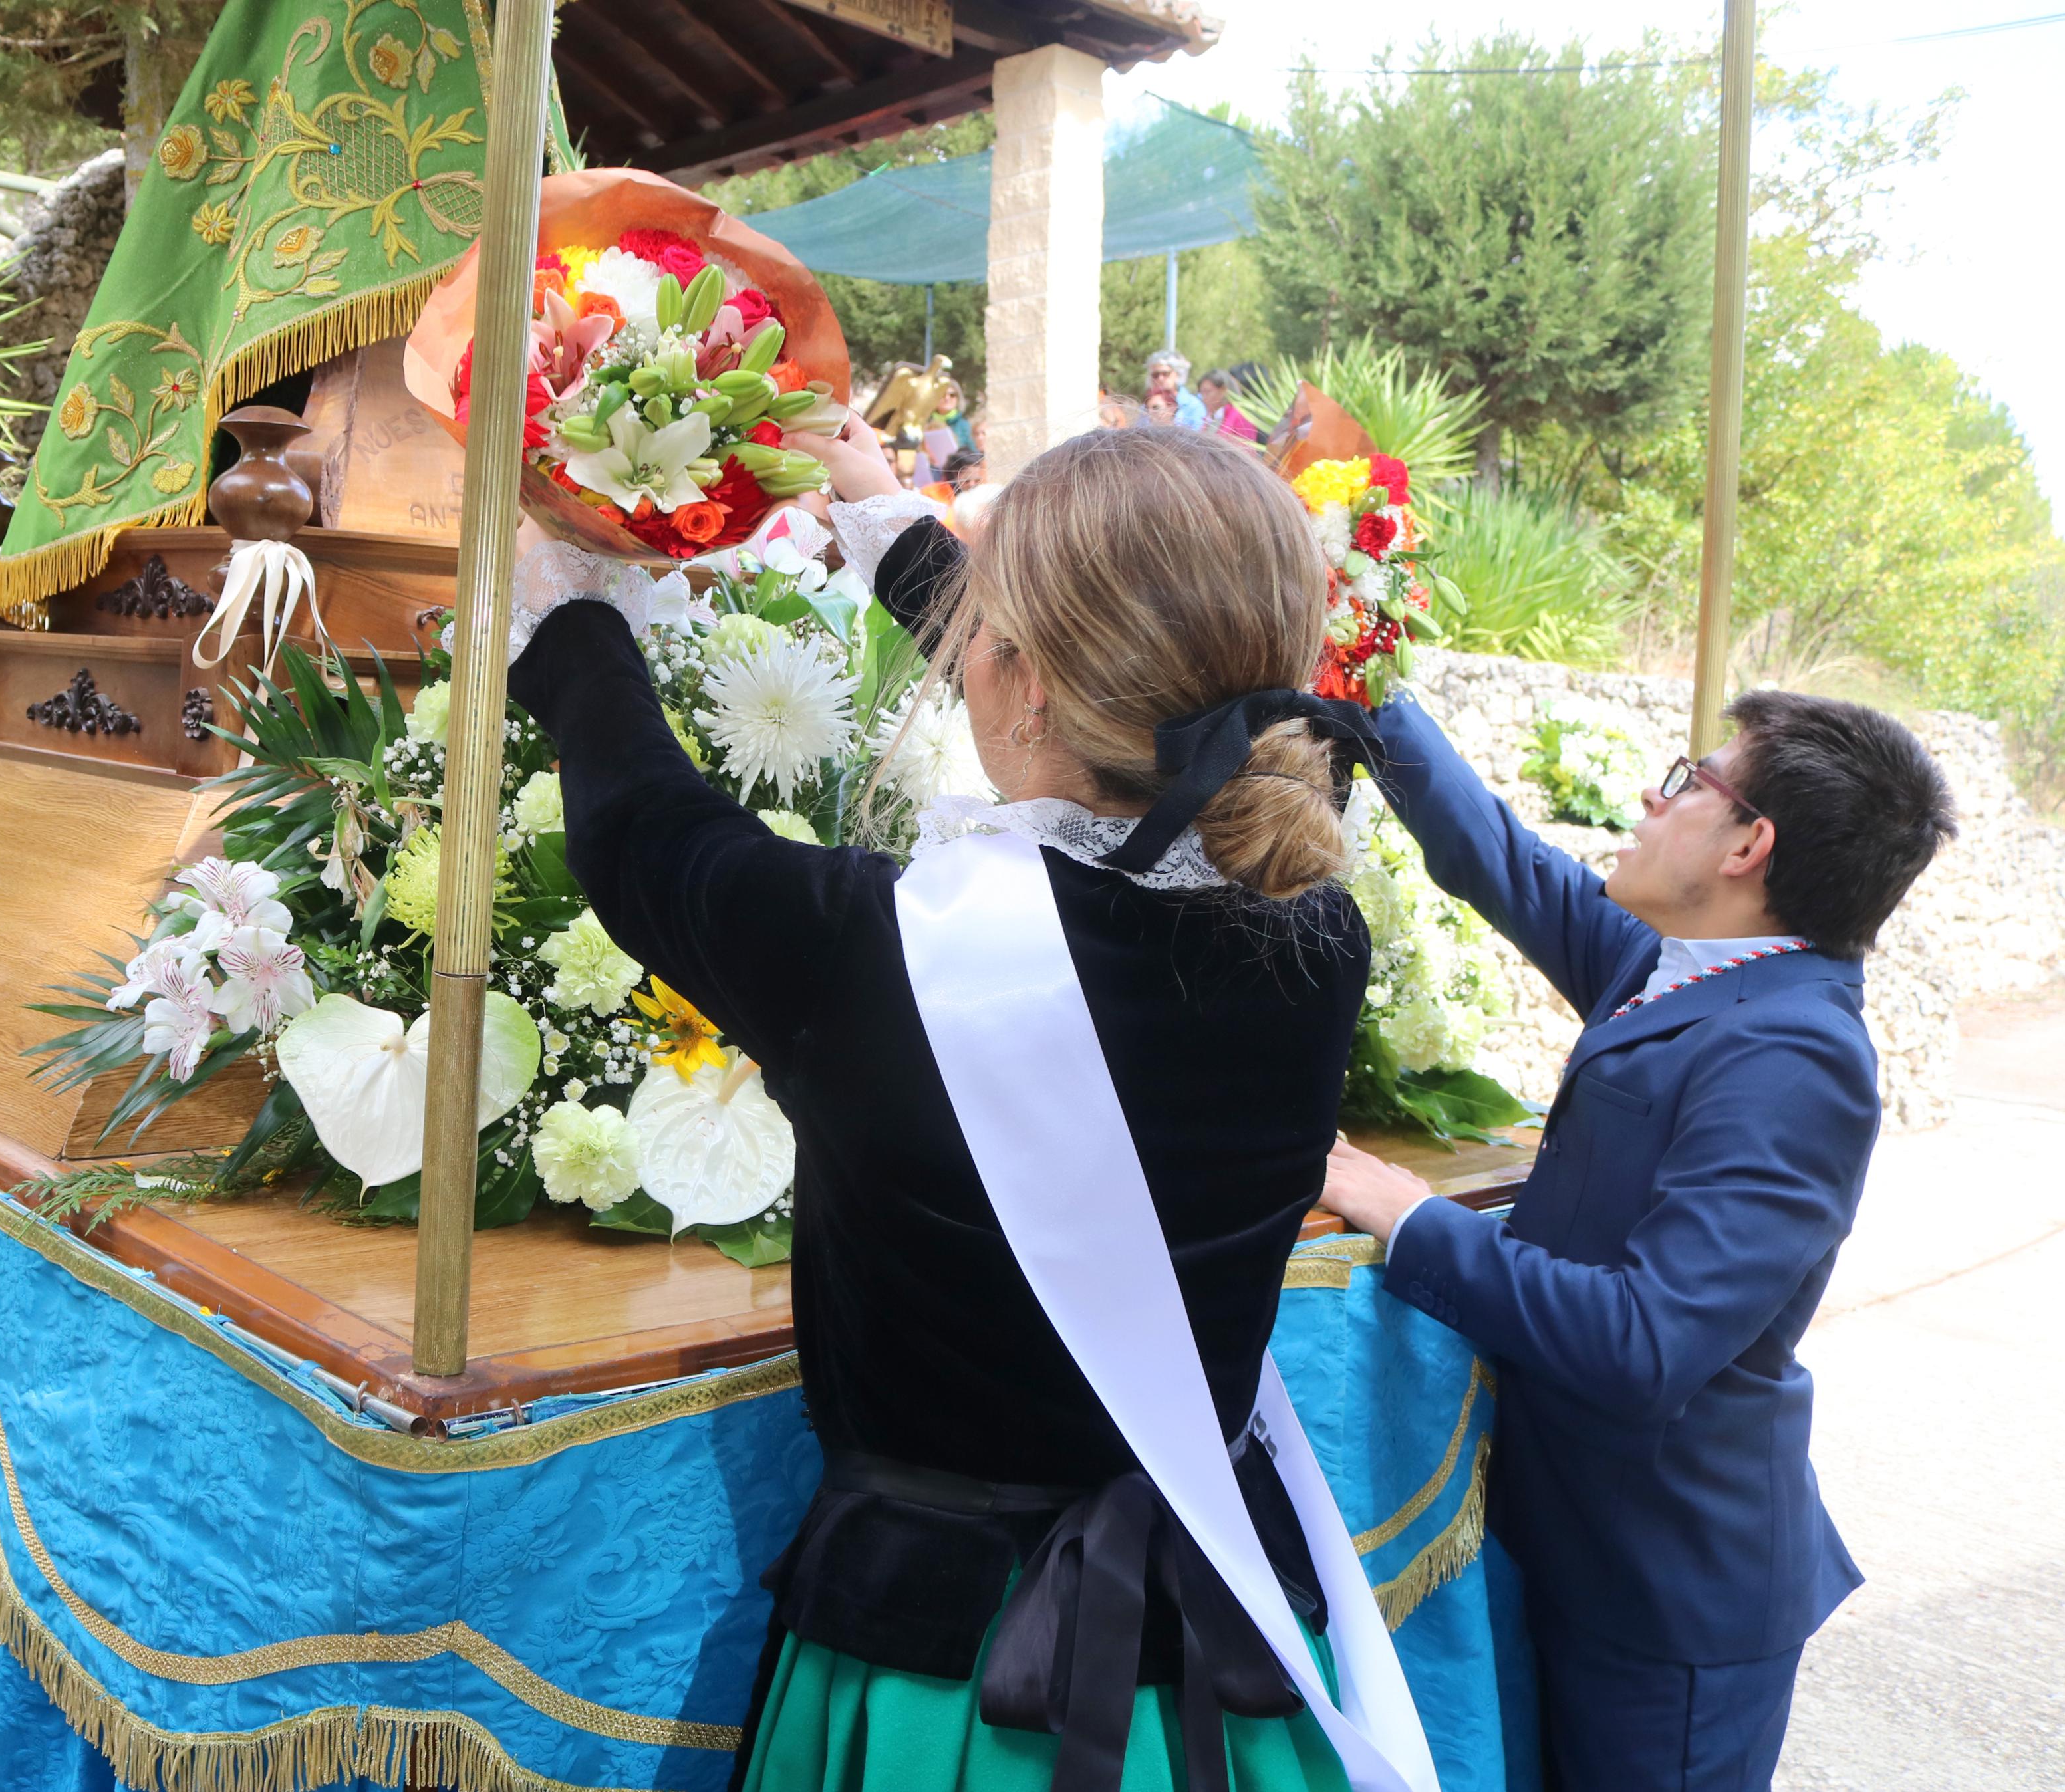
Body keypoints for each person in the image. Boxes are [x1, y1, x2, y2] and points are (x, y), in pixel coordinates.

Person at [507, 419, 1440, 1792]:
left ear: (1017, 681)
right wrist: (883, 511)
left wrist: (574, 619)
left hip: (950, 1687)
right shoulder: (1309, 931)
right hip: (1216, 1665)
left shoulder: (861, 951)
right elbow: (1105, 692)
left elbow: (645, 832)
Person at [1321, 688, 1958, 1792]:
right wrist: (1363, 693)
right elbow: (1502, 864)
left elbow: (1643, 1341)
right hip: (1577, 1549)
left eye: (1684, 784)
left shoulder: (1792, 1055)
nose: (1643, 800)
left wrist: (1408, 1216)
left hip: (1666, 1601)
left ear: (1747, 846)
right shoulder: (1684, 970)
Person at [1145, 350, 1207, 429]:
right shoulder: (1145, 405)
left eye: (1165, 374)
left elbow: (1198, 438)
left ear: (1178, 374)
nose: (1160, 378)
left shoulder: (1194, 406)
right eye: (1155, 375)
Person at [1198, 370, 1262, 444]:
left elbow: (1247, 450)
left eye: (1207, 392)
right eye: (1202, 393)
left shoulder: (1241, 416)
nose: (1204, 398)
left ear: (1223, 390)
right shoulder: (1210, 417)